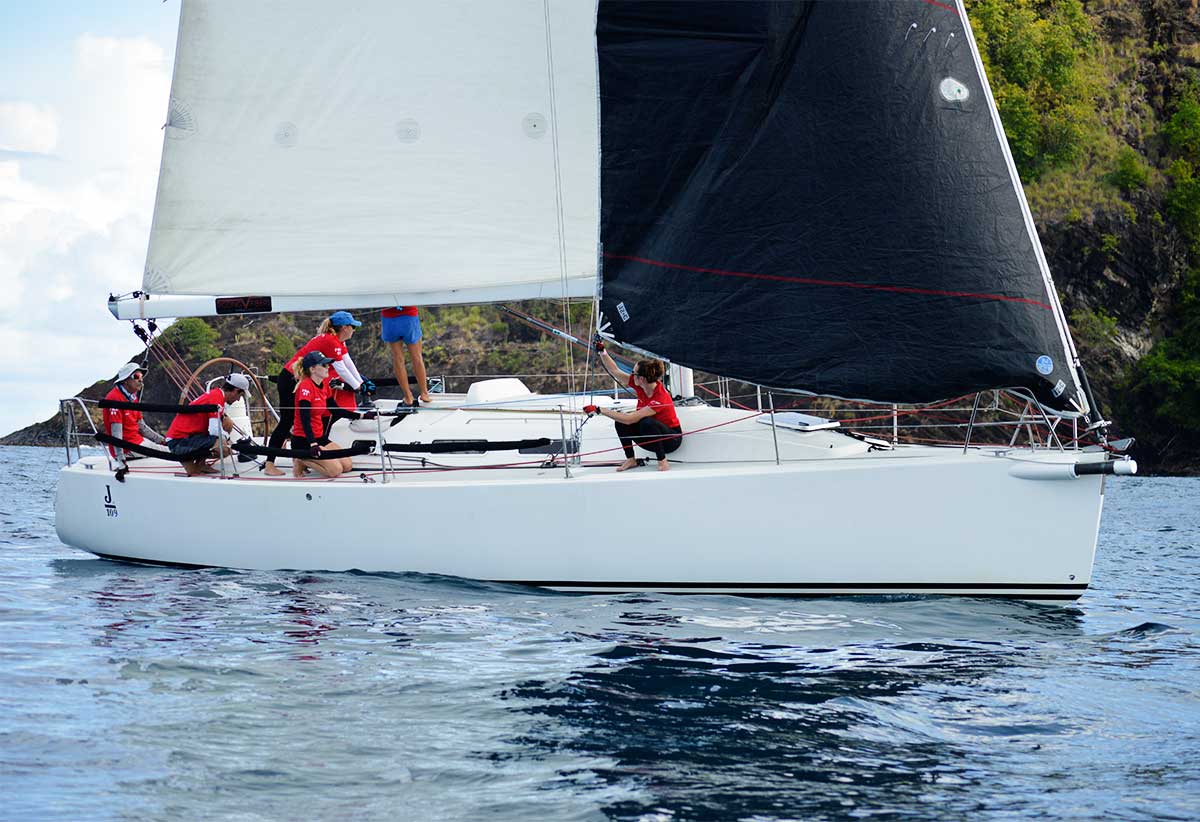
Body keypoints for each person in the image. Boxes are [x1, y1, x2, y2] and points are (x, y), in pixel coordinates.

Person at [263, 310, 372, 476]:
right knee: (287, 420)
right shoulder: (330, 340)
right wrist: (357, 387)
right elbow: (341, 368)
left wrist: (361, 383)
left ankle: (305, 455)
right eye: (352, 327)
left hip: (305, 377)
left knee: (317, 415)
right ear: (344, 328)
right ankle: (271, 463)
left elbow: (348, 363)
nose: (354, 330)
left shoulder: (338, 341)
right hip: (291, 378)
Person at [590, 341, 682, 472]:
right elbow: (614, 370)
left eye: (634, 373)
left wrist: (600, 410)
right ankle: (631, 459)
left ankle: (663, 461)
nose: (631, 375)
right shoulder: (640, 384)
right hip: (650, 438)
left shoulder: (660, 396)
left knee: (647, 422)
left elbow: (630, 419)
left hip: (671, 440)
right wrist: (602, 351)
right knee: (620, 423)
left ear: (642, 379)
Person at [164, 374, 251, 476]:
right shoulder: (216, 398)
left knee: (226, 428)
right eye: (240, 396)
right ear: (236, 391)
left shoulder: (216, 394)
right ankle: (192, 462)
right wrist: (228, 441)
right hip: (179, 442)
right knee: (225, 448)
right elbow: (214, 430)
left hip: (182, 438)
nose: (238, 399)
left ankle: (200, 464)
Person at [290, 351, 355, 478]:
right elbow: (305, 419)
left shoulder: (324, 385)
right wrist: (313, 443)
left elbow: (335, 410)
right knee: (335, 471)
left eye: (327, 365)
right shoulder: (305, 387)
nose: (328, 367)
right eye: (324, 365)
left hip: (319, 437)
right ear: (313, 369)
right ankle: (301, 460)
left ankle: (308, 460)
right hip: (304, 440)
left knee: (347, 466)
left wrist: (362, 416)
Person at [102, 362, 167, 462]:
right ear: (126, 380)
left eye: (141, 376)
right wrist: (121, 460)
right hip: (128, 449)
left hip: (138, 442)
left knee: (171, 449)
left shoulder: (132, 397)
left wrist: (163, 441)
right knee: (171, 452)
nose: (141, 379)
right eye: (136, 376)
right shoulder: (114, 398)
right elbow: (116, 433)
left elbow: (141, 427)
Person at [381, 306, 432, 406]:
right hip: (409, 315)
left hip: (389, 318)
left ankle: (408, 397)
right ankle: (424, 393)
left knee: (398, 358)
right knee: (417, 357)